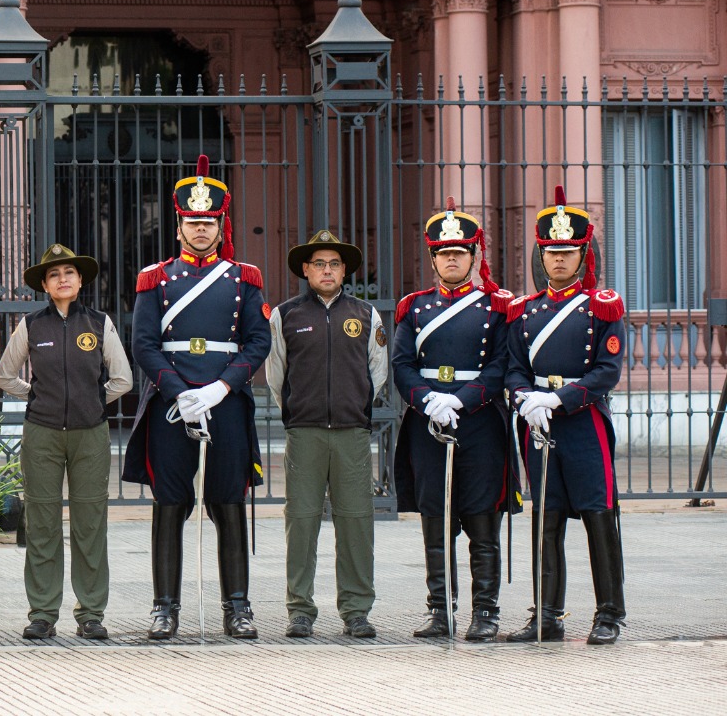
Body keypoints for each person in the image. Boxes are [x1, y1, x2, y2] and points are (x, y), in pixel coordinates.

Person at [124, 155, 269, 640]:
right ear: (179, 225)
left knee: (228, 503)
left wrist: (220, 387)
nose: (201, 229)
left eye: (208, 221)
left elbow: (257, 342)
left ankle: (238, 607)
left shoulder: (243, 277)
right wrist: (181, 392)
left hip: (224, 400)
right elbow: (143, 343)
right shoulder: (156, 278)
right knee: (169, 504)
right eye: (192, 222)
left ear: (220, 223)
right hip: (173, 404)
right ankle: (164, 606)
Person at [502, 185, 627, 645]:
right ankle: (547, 615)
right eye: (552, 252)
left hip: (582, 421)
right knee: (546, 519)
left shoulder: (601, 307)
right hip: (538, 423)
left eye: (568, 252)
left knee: (598, 515)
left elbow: (607, 371)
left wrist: (560, 399)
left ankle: (610, 613)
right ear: (541, 254)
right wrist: (526, 400)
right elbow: (514, 367)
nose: (559, 260)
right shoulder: (524, 311)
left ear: (582, 254)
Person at [390, 201, 517, 641]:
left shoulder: (498, 307)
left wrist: (459, 402)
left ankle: (486, 611)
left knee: (482, 520)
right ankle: (440, 610)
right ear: (432, 258)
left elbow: (502, 366)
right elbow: (402, 365)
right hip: (428, 425)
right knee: (435, 521)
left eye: (460, 251)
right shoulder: (414, 308)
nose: (451, 258)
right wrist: (428, 401)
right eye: (443, 252)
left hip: (479, 423)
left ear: (475, 255)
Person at [0, 243, 132, 640]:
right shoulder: (32, 325)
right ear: (45, 284)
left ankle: (91, 613)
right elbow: (5, 375)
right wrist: (36, 396)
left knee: (90, 524)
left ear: (80, 279)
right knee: (42, 524)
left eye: (69, 273)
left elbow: (122, 379)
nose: (62, 279)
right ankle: (42, 613)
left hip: (90, 434)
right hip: (43, 433)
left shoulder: (99, 323)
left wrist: (90, 400)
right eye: (54, 275)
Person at [265, 229, 387, 639]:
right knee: (301, 522)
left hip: (351, 433)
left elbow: (378, 372)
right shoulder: (286, 316)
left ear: (344, 270)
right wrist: (298, 411)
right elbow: (276, 375)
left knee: (356, 522)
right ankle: (300, 609)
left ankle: (356, 610)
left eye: (334, 263)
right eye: (319, 263)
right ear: (305, 269)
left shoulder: (366, 315)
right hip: (306, 432)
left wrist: (355, 404)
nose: (327, 270)